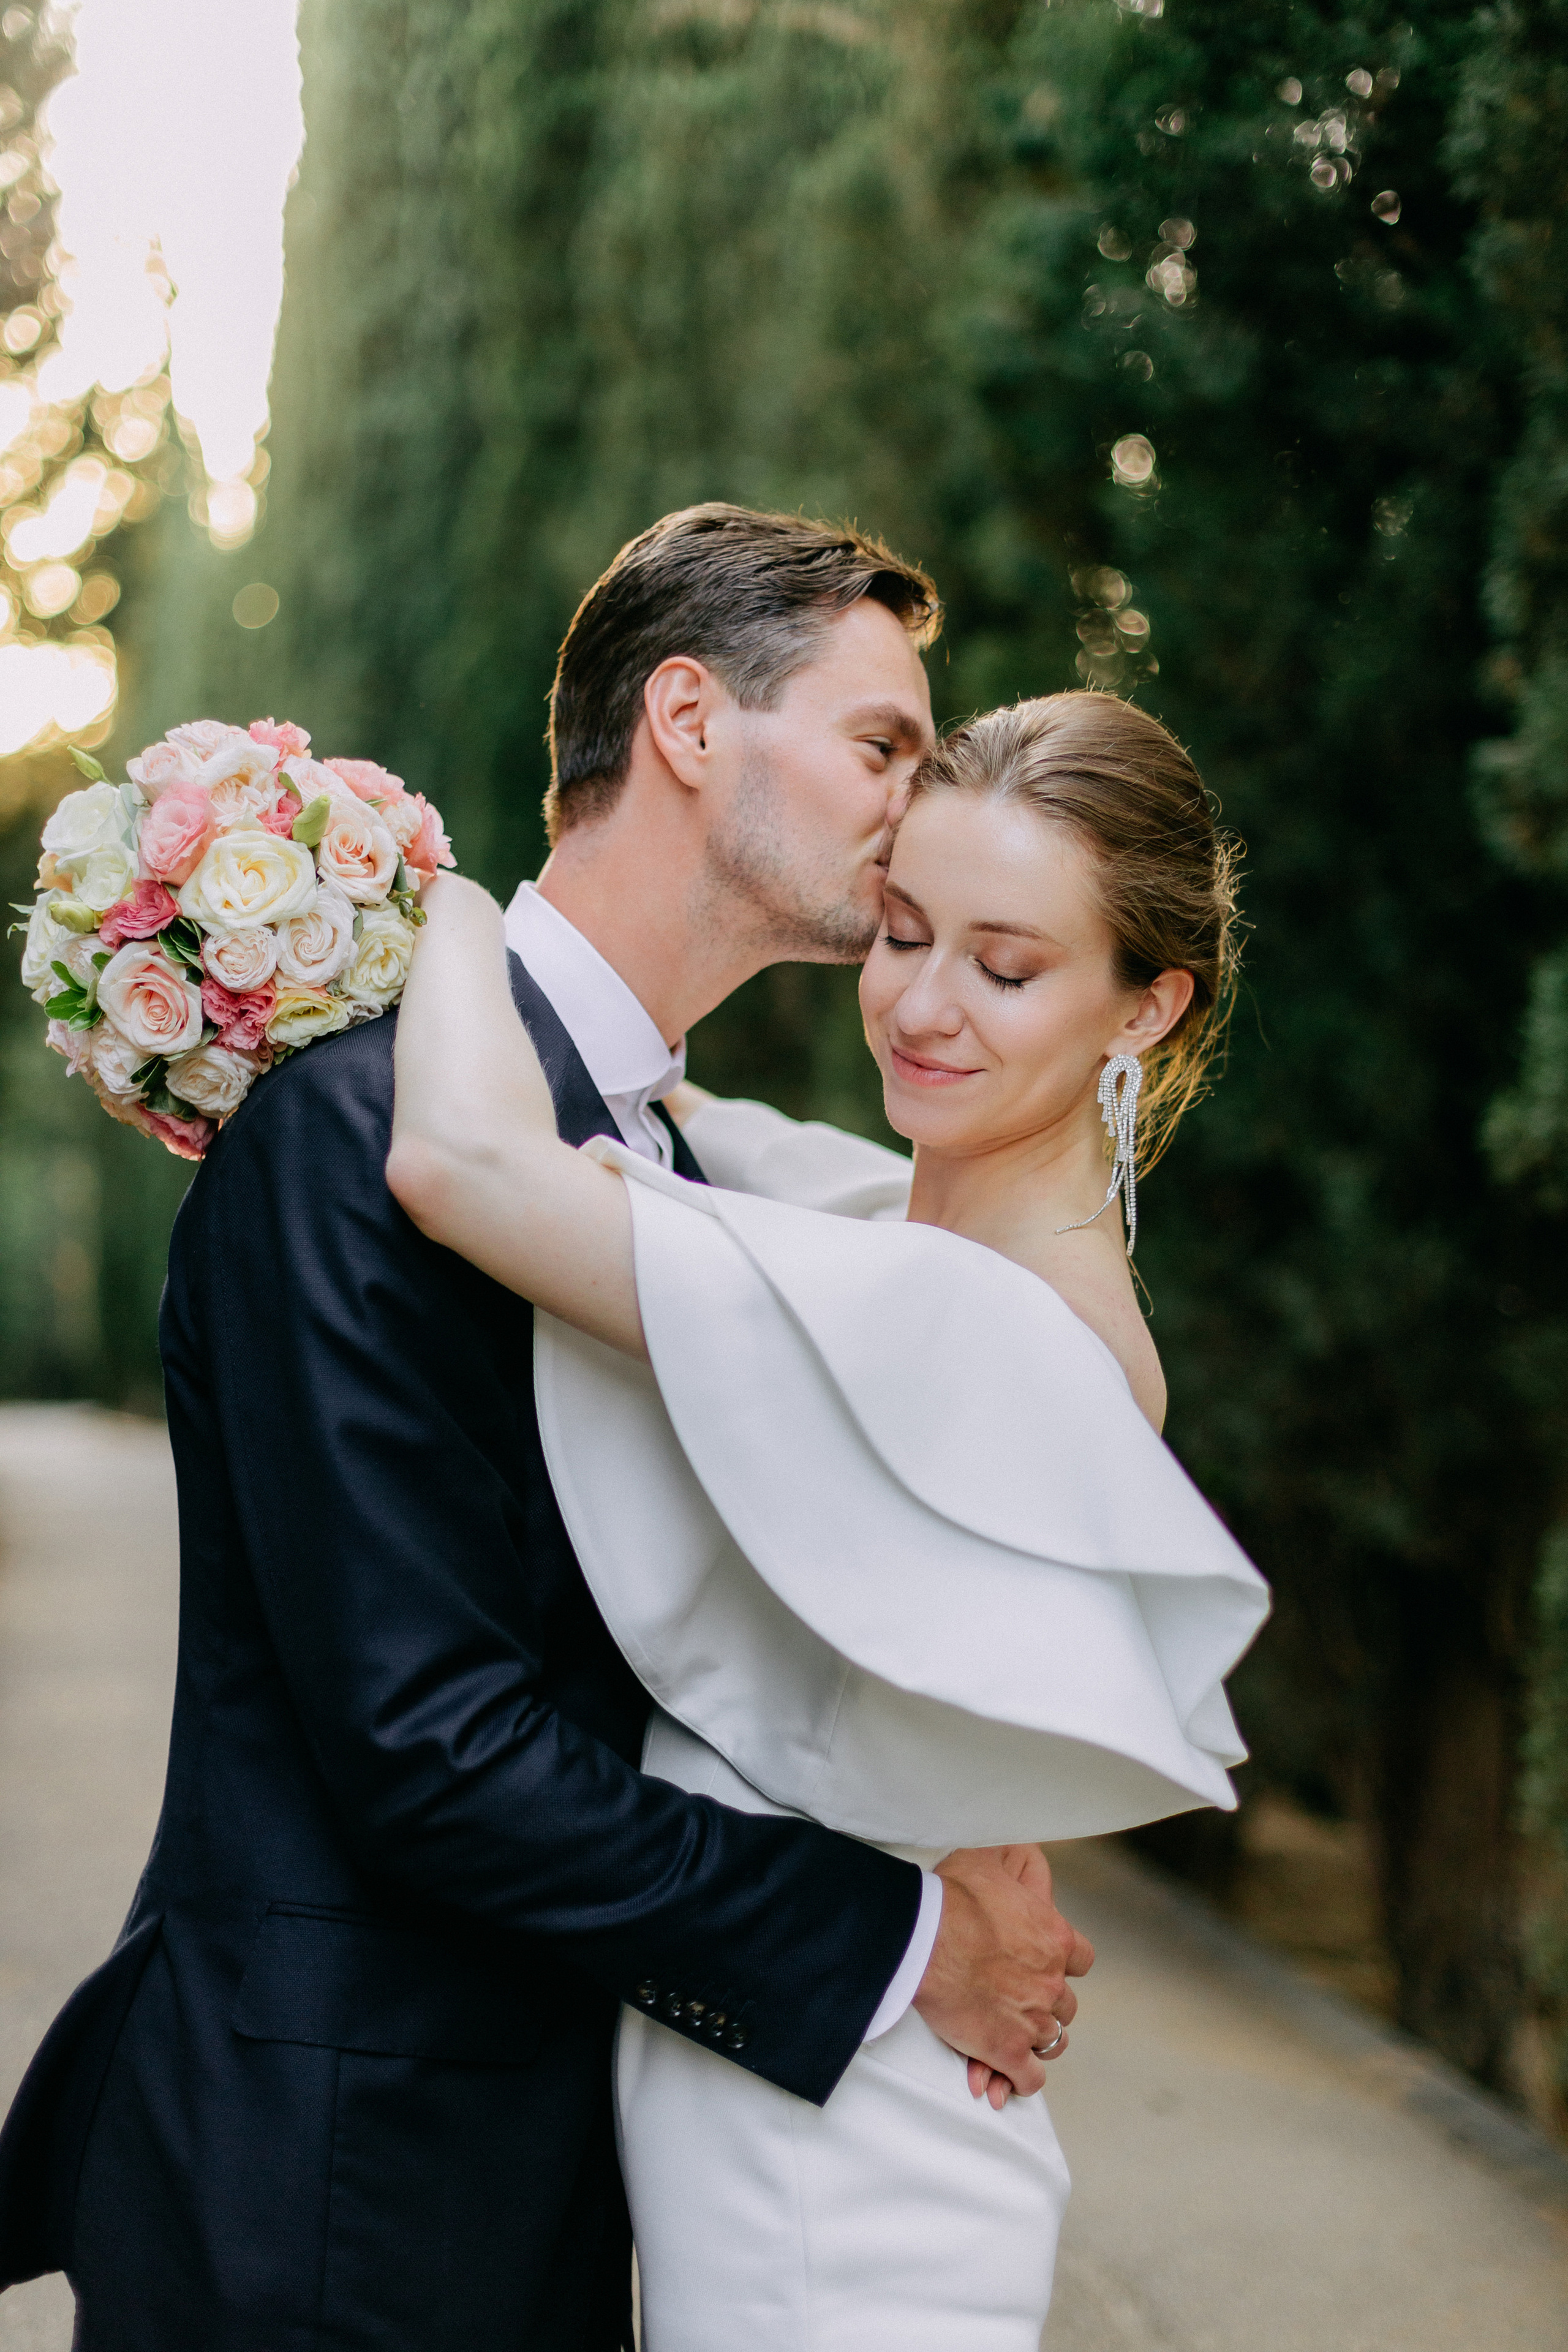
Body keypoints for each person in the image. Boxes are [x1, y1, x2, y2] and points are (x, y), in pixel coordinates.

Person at [0, 507, 1098, 2351]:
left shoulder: (670, 1163)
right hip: (325, 2205)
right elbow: (427, 1746)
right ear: (689, 720)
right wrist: (904, 1945)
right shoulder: (355, 1138)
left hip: (547, 2176)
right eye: (882, 746)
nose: (916, 809)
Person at [387, 688, 1270, 2350]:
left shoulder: (998, 1331)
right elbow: (691, 1128)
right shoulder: (887, 1234)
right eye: (903, 932)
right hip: (801, 2087)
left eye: (1007, 969)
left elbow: (463, 1164)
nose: (922, 1007)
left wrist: (402, 884)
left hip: (843, 2177)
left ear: (1147, 1007)